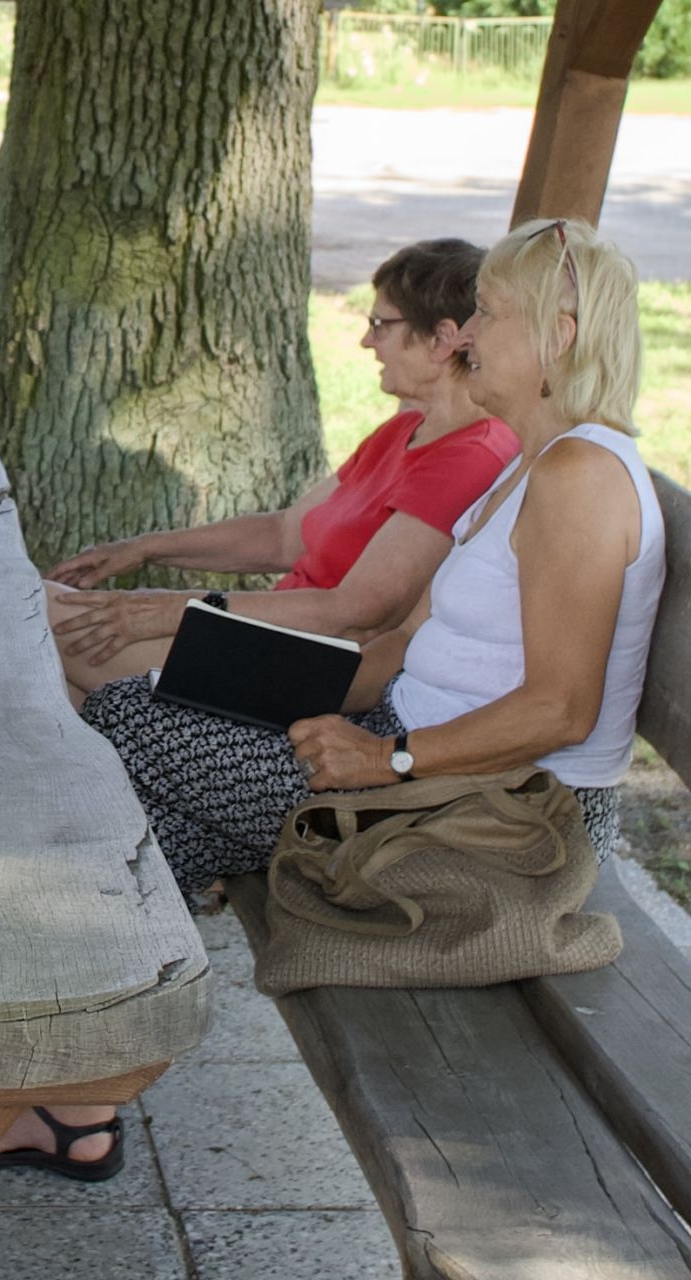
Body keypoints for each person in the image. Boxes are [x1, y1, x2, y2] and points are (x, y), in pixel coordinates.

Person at [33, 218, 660, 1182]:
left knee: (112, 731)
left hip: (507, 810)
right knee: (139, 811)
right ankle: (70, 1104)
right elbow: (392, 653)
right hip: (419, 752)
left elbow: (561, 711)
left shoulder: (580, 475)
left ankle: (62, 1100)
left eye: (488, 316)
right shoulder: (529, 471)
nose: (465, 335)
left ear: (562, 337)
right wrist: (243, 678)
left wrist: (388, 760)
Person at [45, 239, 518, 708]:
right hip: (263, 642)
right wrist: (143, 550)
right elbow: (283, 536)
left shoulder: (472, 456)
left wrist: (170, 612)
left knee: (32, 616)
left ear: (442, 338)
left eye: (380, 324)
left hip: (300, 672)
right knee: (48, 685)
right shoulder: (406, 429)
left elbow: (358, 611)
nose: (366, 340)